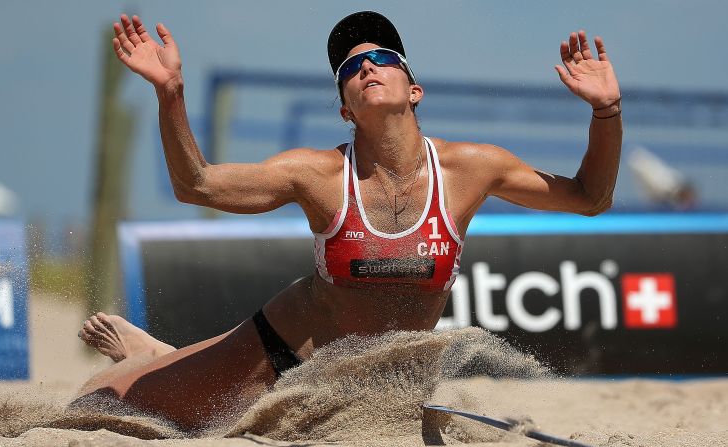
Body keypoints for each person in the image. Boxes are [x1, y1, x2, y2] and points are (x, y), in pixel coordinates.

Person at [76, 11, 622, 430]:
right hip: (282, 360)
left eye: (382, 56)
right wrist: (169, 93)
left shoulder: (470, 169)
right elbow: (196, 185)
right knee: (98, 407)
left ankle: (161, 355)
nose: (365, 66)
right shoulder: (317, 174)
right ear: (345, 107)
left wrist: (606, 112)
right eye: (348, 68)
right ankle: (149, 355)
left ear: (414, 88)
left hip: (385, 389)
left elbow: (589, 198)